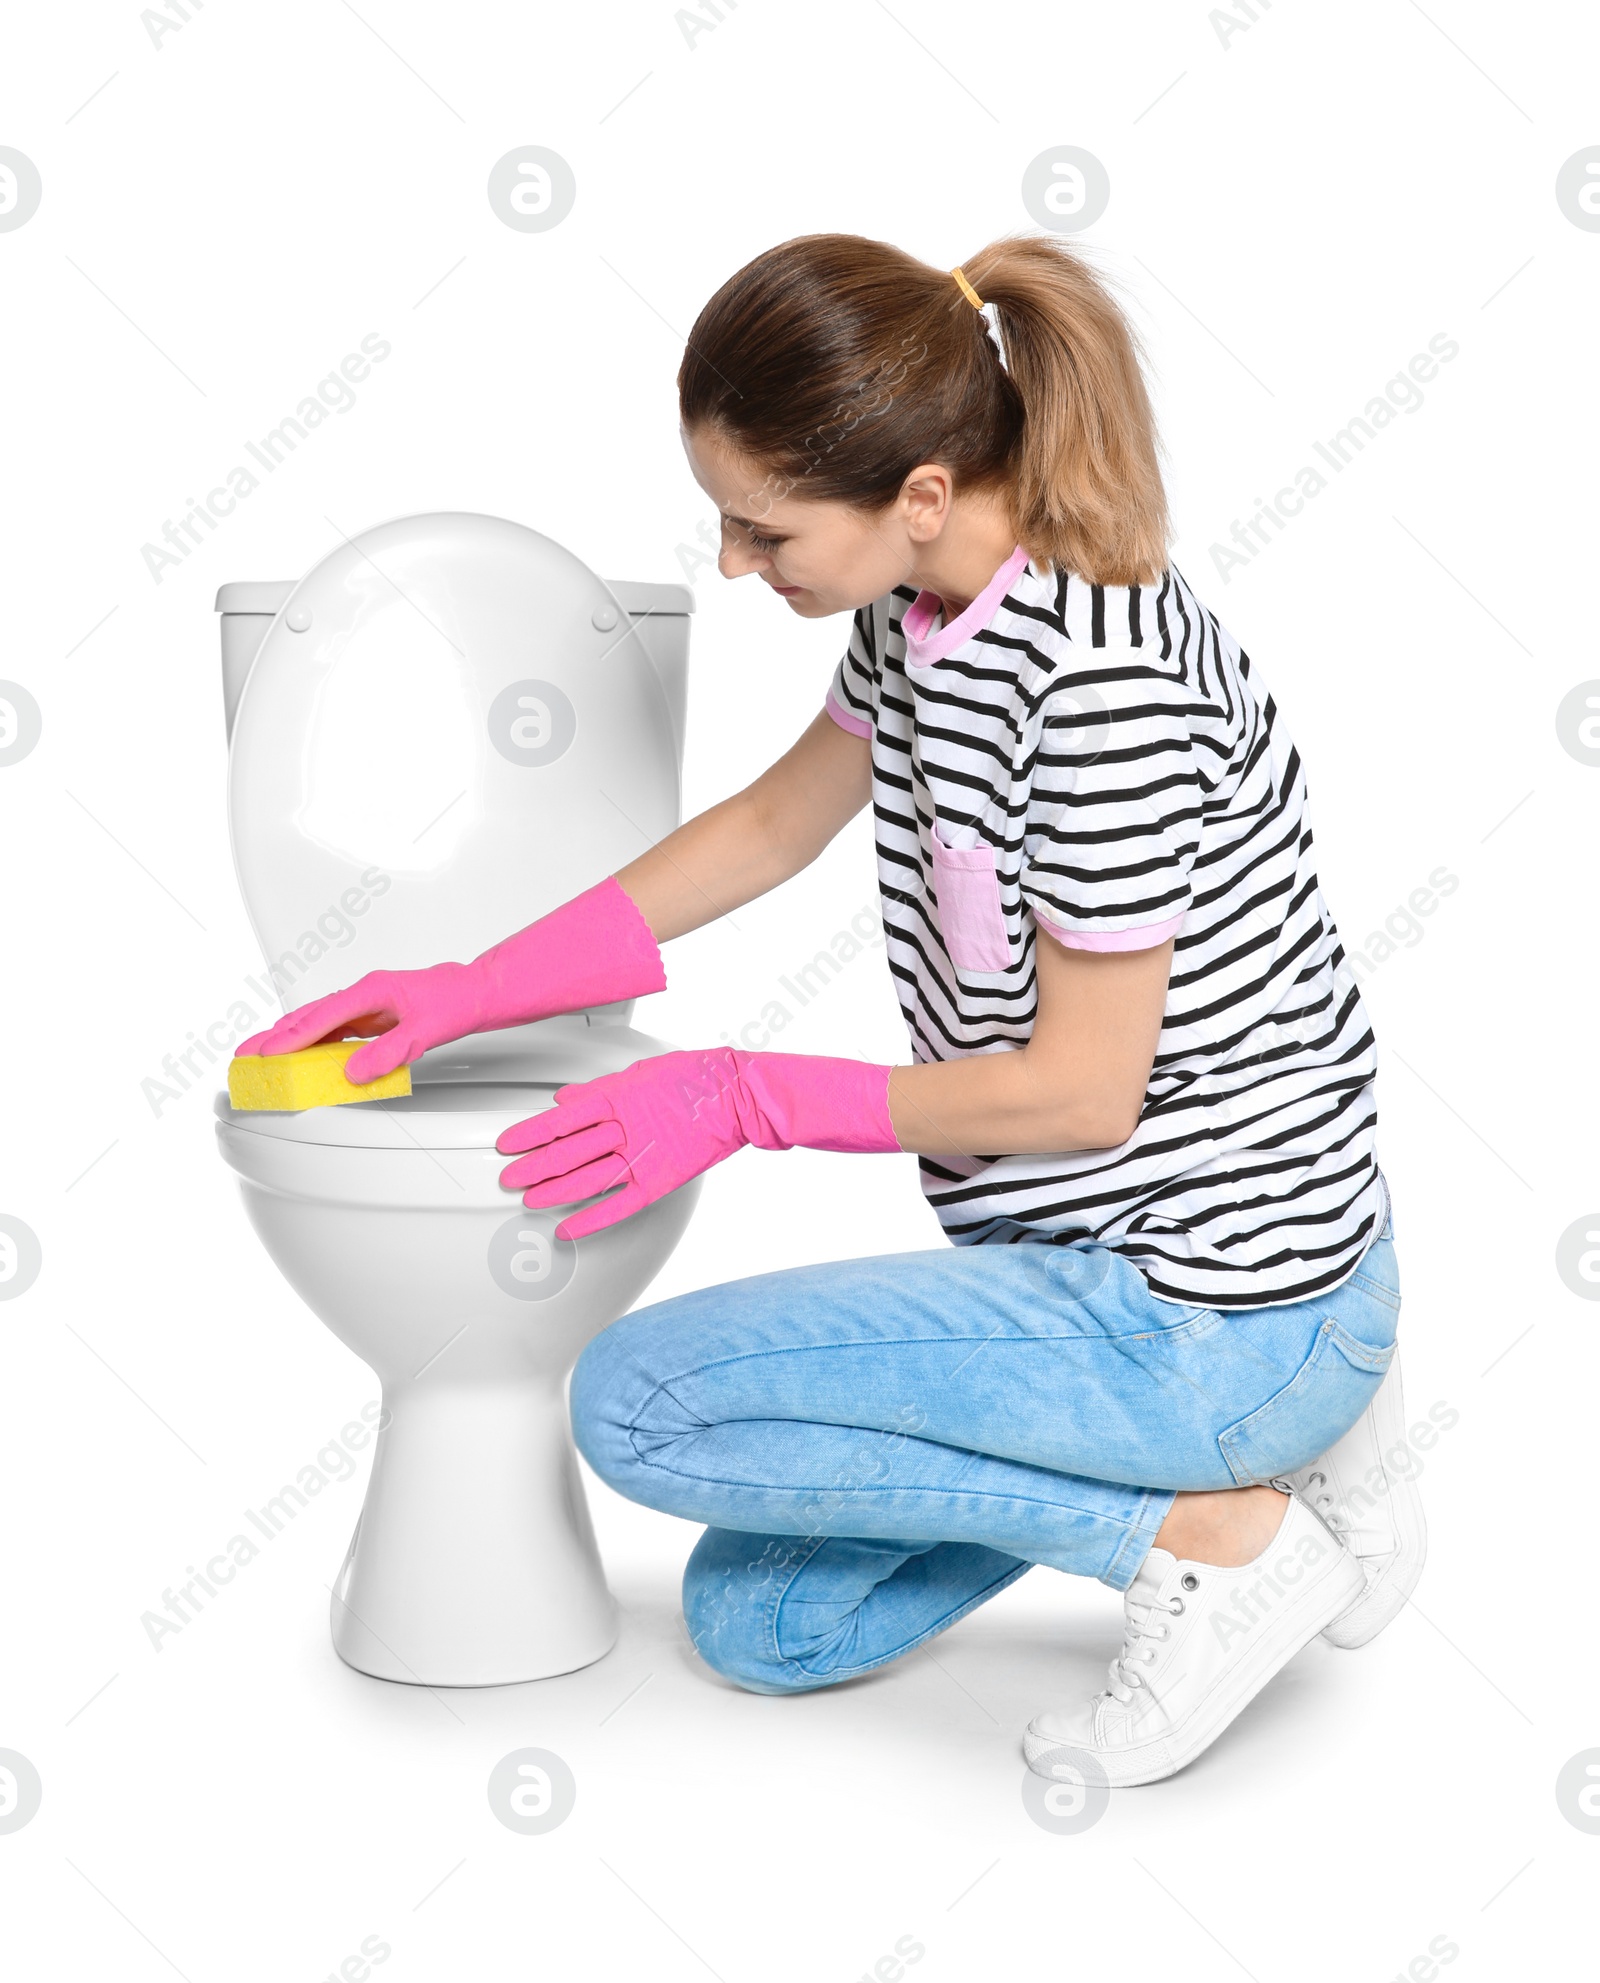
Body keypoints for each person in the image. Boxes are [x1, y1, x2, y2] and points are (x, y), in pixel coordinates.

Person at [240, 232, 1424, 1787]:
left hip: (1207, 1298)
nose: (735, 564)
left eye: (761, 526)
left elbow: (1082, 1097)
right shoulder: (921, 606)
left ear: (919, 494)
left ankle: (1223, 1521)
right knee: (766, 1625)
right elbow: (773, 824)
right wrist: (469, 987)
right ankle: (1275, 1463)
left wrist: (743, 1099)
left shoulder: (1098, 694)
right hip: (1099, 1270)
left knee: (641, 1407)